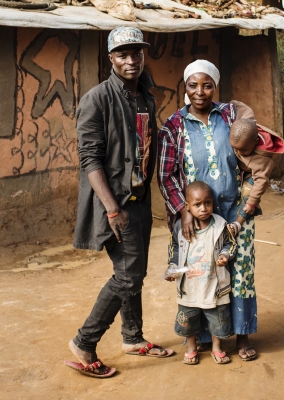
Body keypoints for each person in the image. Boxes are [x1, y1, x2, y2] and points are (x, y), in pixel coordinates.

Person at [65, 27, 173, 379]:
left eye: (136, 54)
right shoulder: (97, 99)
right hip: (116, 203)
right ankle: (85, 341)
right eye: (123, 55)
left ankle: (133, 337)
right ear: (110, 58)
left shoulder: (145, 96)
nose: (131, 61)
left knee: (134, 273)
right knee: (128, 277)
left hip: (139, 199)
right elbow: (91, 161)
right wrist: (113, 208)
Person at [157, 59, 258, 361]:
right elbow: (166, 175)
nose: (199, 92)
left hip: (234, 209)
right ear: (185, 88)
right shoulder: (173, 126)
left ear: (215, 87)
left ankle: (242, 335)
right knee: (202, 272)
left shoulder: (229, 115)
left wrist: (248, 200)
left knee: (239, 272)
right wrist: (183, 210)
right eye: (192, 85)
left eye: (207, 85)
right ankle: (203, 336)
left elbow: (255, 150)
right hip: (198, 216)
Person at [164, 181, 238, 365]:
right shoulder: (180, 227)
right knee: (188, 320)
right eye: (197, 204)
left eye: (208, 203)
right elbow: (175, 249)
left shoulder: (219, 225)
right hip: (189, 287)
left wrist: (224, 255)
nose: (203, 208)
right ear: (187, 206)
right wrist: (172, 267)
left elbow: (230, 244)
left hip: (213, 286)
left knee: (217, 319)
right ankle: (191, 349)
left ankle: (217, 348)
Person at [228, 118, 284, 236]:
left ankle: (238, 223)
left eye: (243, 150)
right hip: (240, 170)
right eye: (235, 148)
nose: (238, 152)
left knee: (248, 192)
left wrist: (252, 202)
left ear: (255, 142)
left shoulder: (262, 160)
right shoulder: (244, 132)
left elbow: (261, 182)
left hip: (253, 177)